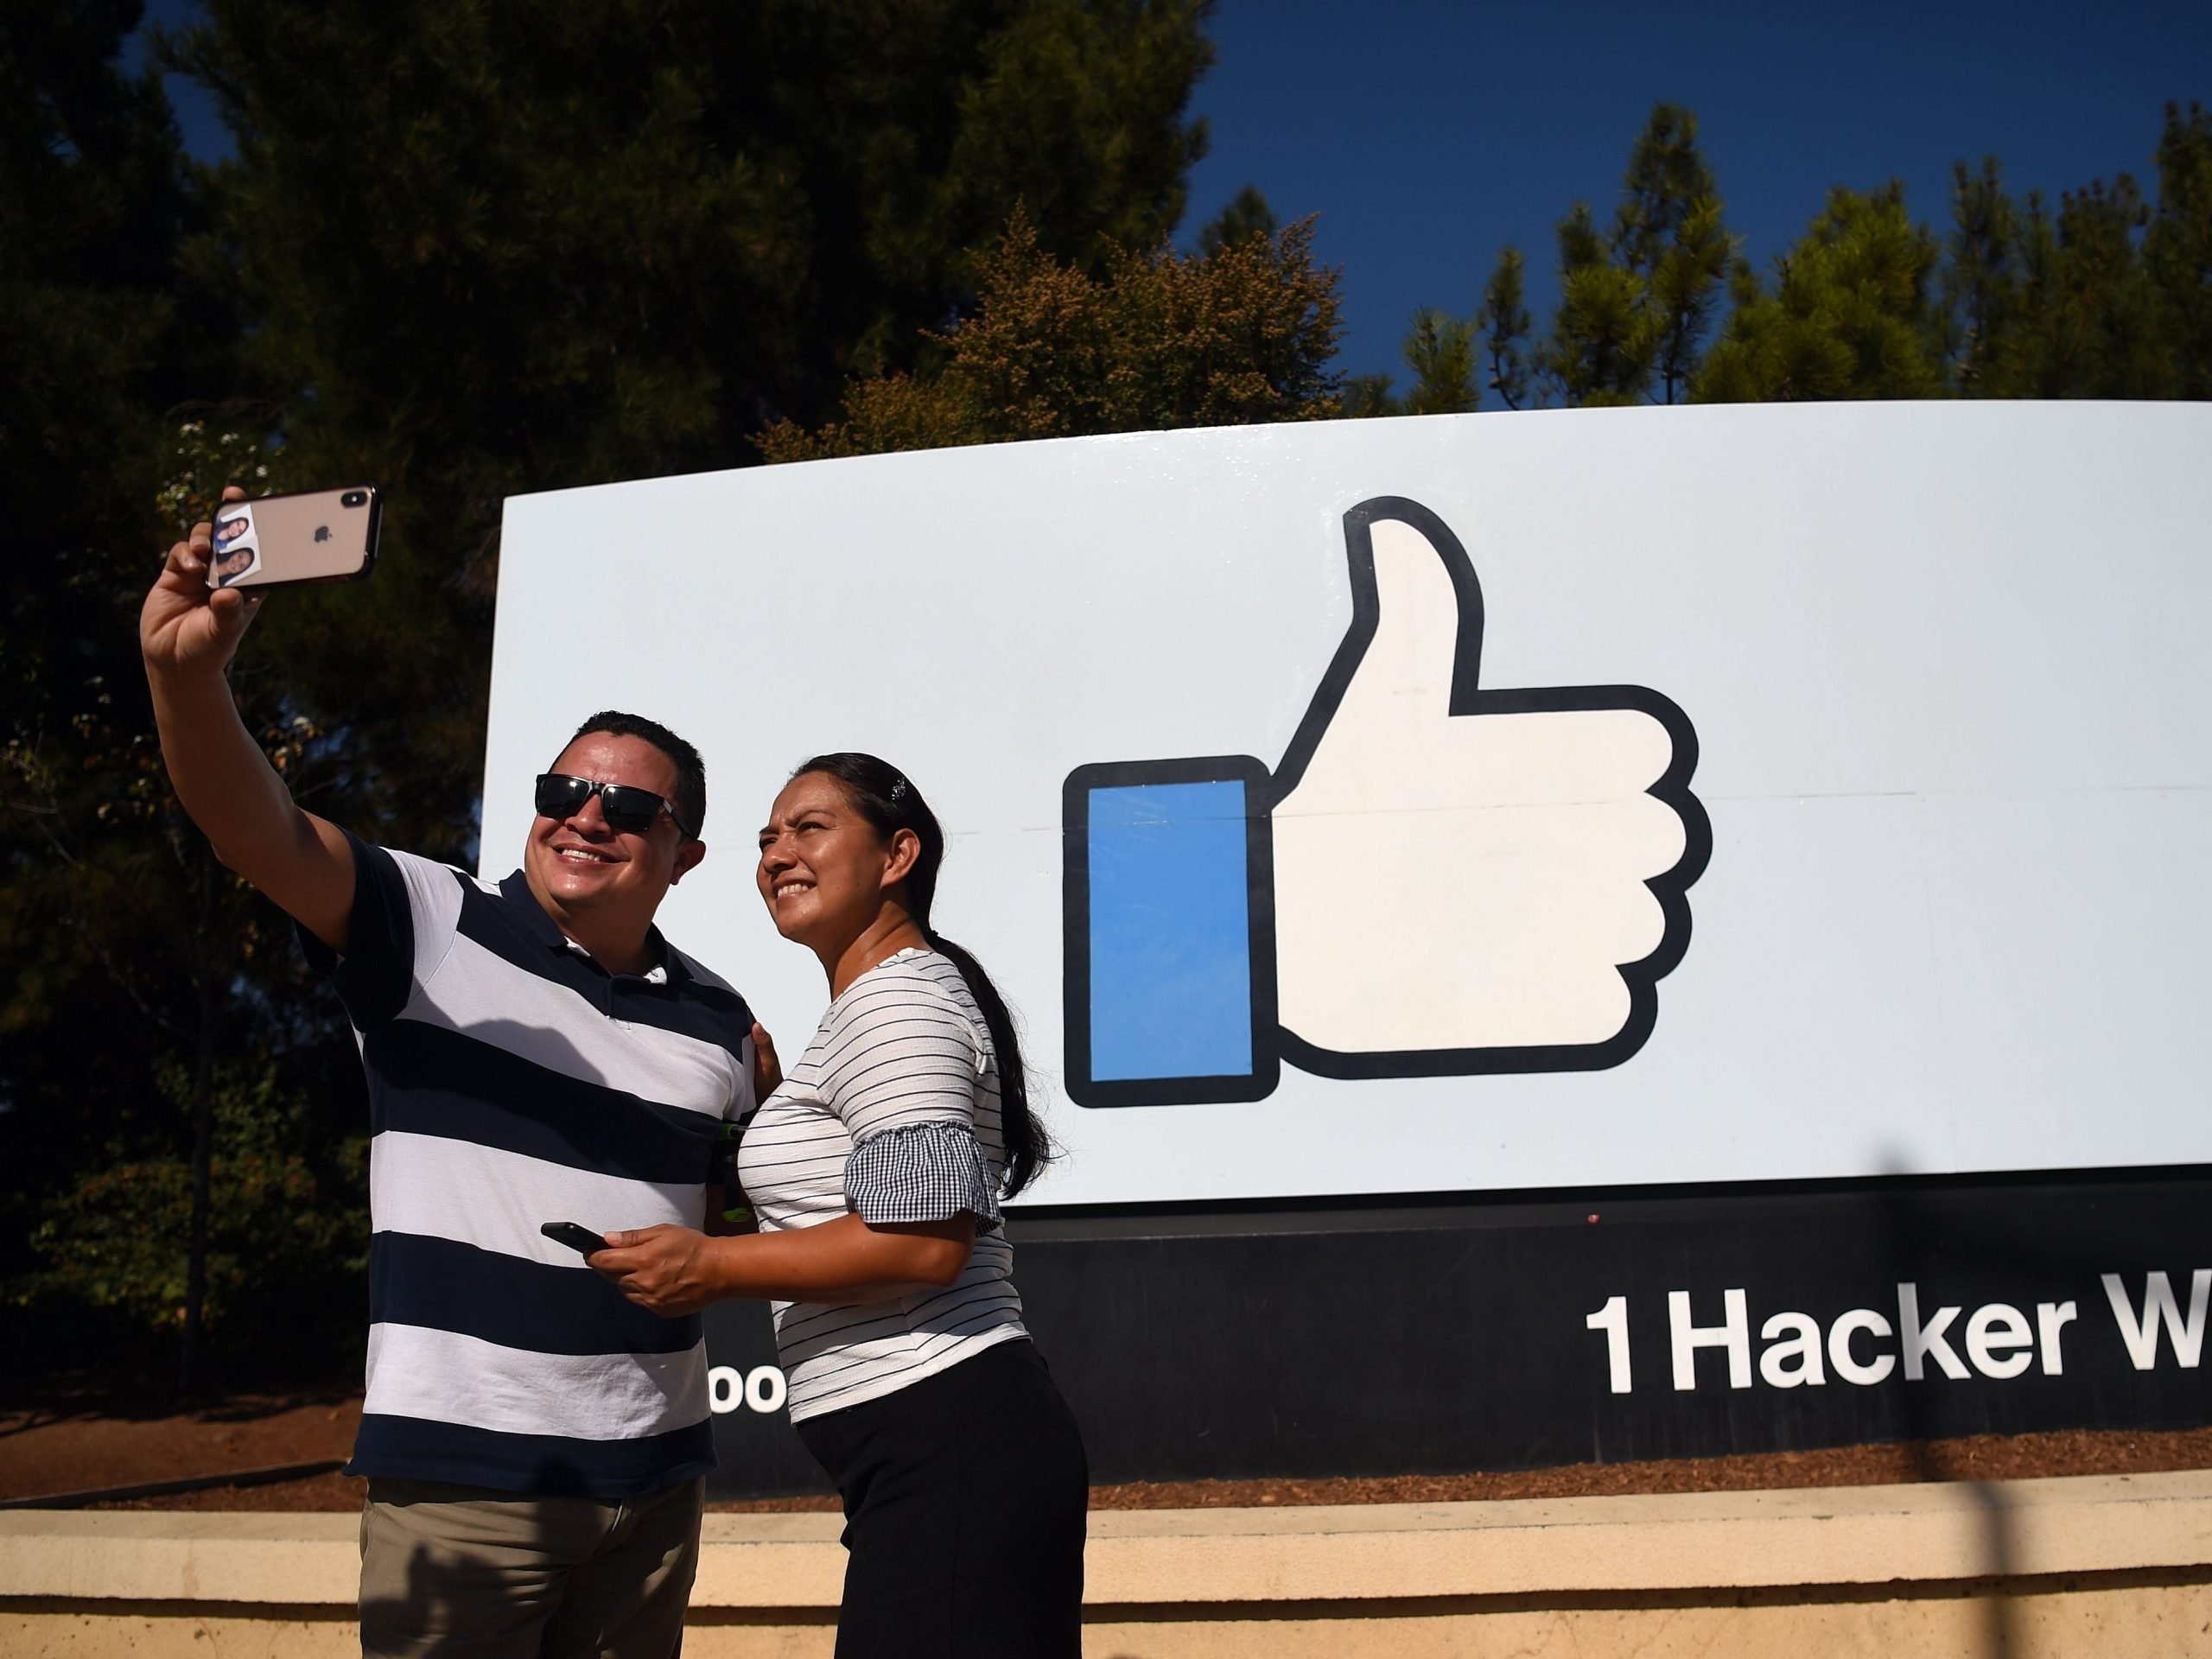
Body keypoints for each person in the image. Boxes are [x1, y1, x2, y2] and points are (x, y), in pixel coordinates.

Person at [139, 486, 766, 1658]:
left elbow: (763, 1197)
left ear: (683, 854)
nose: (586, 816)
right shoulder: (429, 920)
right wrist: (185, 677)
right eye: (561, 791)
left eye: (629, 804)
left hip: (657, 1488)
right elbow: (254, 829)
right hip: (468, 1487)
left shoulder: (722, 1023)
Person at [588, 753, 1088, 1659]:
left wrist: (704, 1268)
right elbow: (814, 1230)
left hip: (952, 1434)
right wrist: (758, 1128)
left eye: (809, 828)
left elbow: (920, 1247)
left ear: (898, 855)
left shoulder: (898, 1003)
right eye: (767, 838)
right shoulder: (870, 1008)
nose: (777, 853)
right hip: (922, 1449)